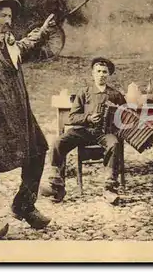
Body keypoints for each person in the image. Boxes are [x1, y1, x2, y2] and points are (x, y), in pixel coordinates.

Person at [0, 0, 57, 239]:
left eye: (10, 16)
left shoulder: (7, 44)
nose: (9, 21)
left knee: (38, 150)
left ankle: (24, 205)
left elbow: (24, 46)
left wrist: (42, 32)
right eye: (3, 16)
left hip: (19, 114)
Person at [40, 57, 126, 203]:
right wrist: (88, 118)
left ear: (109, 74)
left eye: (105, 72)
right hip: (83, 131)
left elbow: (124, 117)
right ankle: (56, 185)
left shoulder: (116, 94)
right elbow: (72, 117)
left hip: (104, 133)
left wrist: (114, 119)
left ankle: (109, 188)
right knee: (58, 142)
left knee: (115, 144)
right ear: (93, 73)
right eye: (98, 71)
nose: (101, 74)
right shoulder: (84, 92)